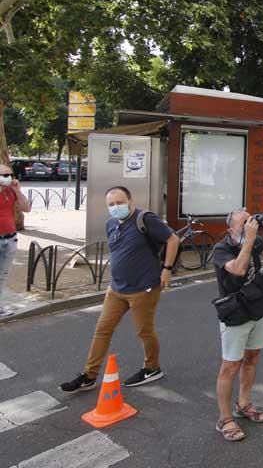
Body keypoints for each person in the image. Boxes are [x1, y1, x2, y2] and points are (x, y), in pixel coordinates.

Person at [60, 186, 179, 392]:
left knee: (144, 331)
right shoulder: (111, 224)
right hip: (116, 289)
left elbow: (172, 239)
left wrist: (166, 269)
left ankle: (152, 368)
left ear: (130, 201)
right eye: (111, 204)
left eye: (120, 202)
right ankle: (89, 375)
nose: (116, 207)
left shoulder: (145, 219)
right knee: (102, 330)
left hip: (143, 288)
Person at [212, 208, 263, 442]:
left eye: (250, 221)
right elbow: (238, 269)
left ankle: (243, 404)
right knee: (230, 366)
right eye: (243, 222)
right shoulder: (221, 249)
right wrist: (251, 238)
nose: (249, 225)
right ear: (230, 228)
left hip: (257, 308)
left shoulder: (253, 241)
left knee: (252, 358)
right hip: (235, 313)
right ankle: (224, 418)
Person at [0, 164, 32, 317]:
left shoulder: (12, 192)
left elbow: (26, 208)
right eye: (4, 174)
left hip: (10, 238)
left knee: (3, 274)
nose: (8, 177)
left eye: (9, 174)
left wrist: (18, 190)